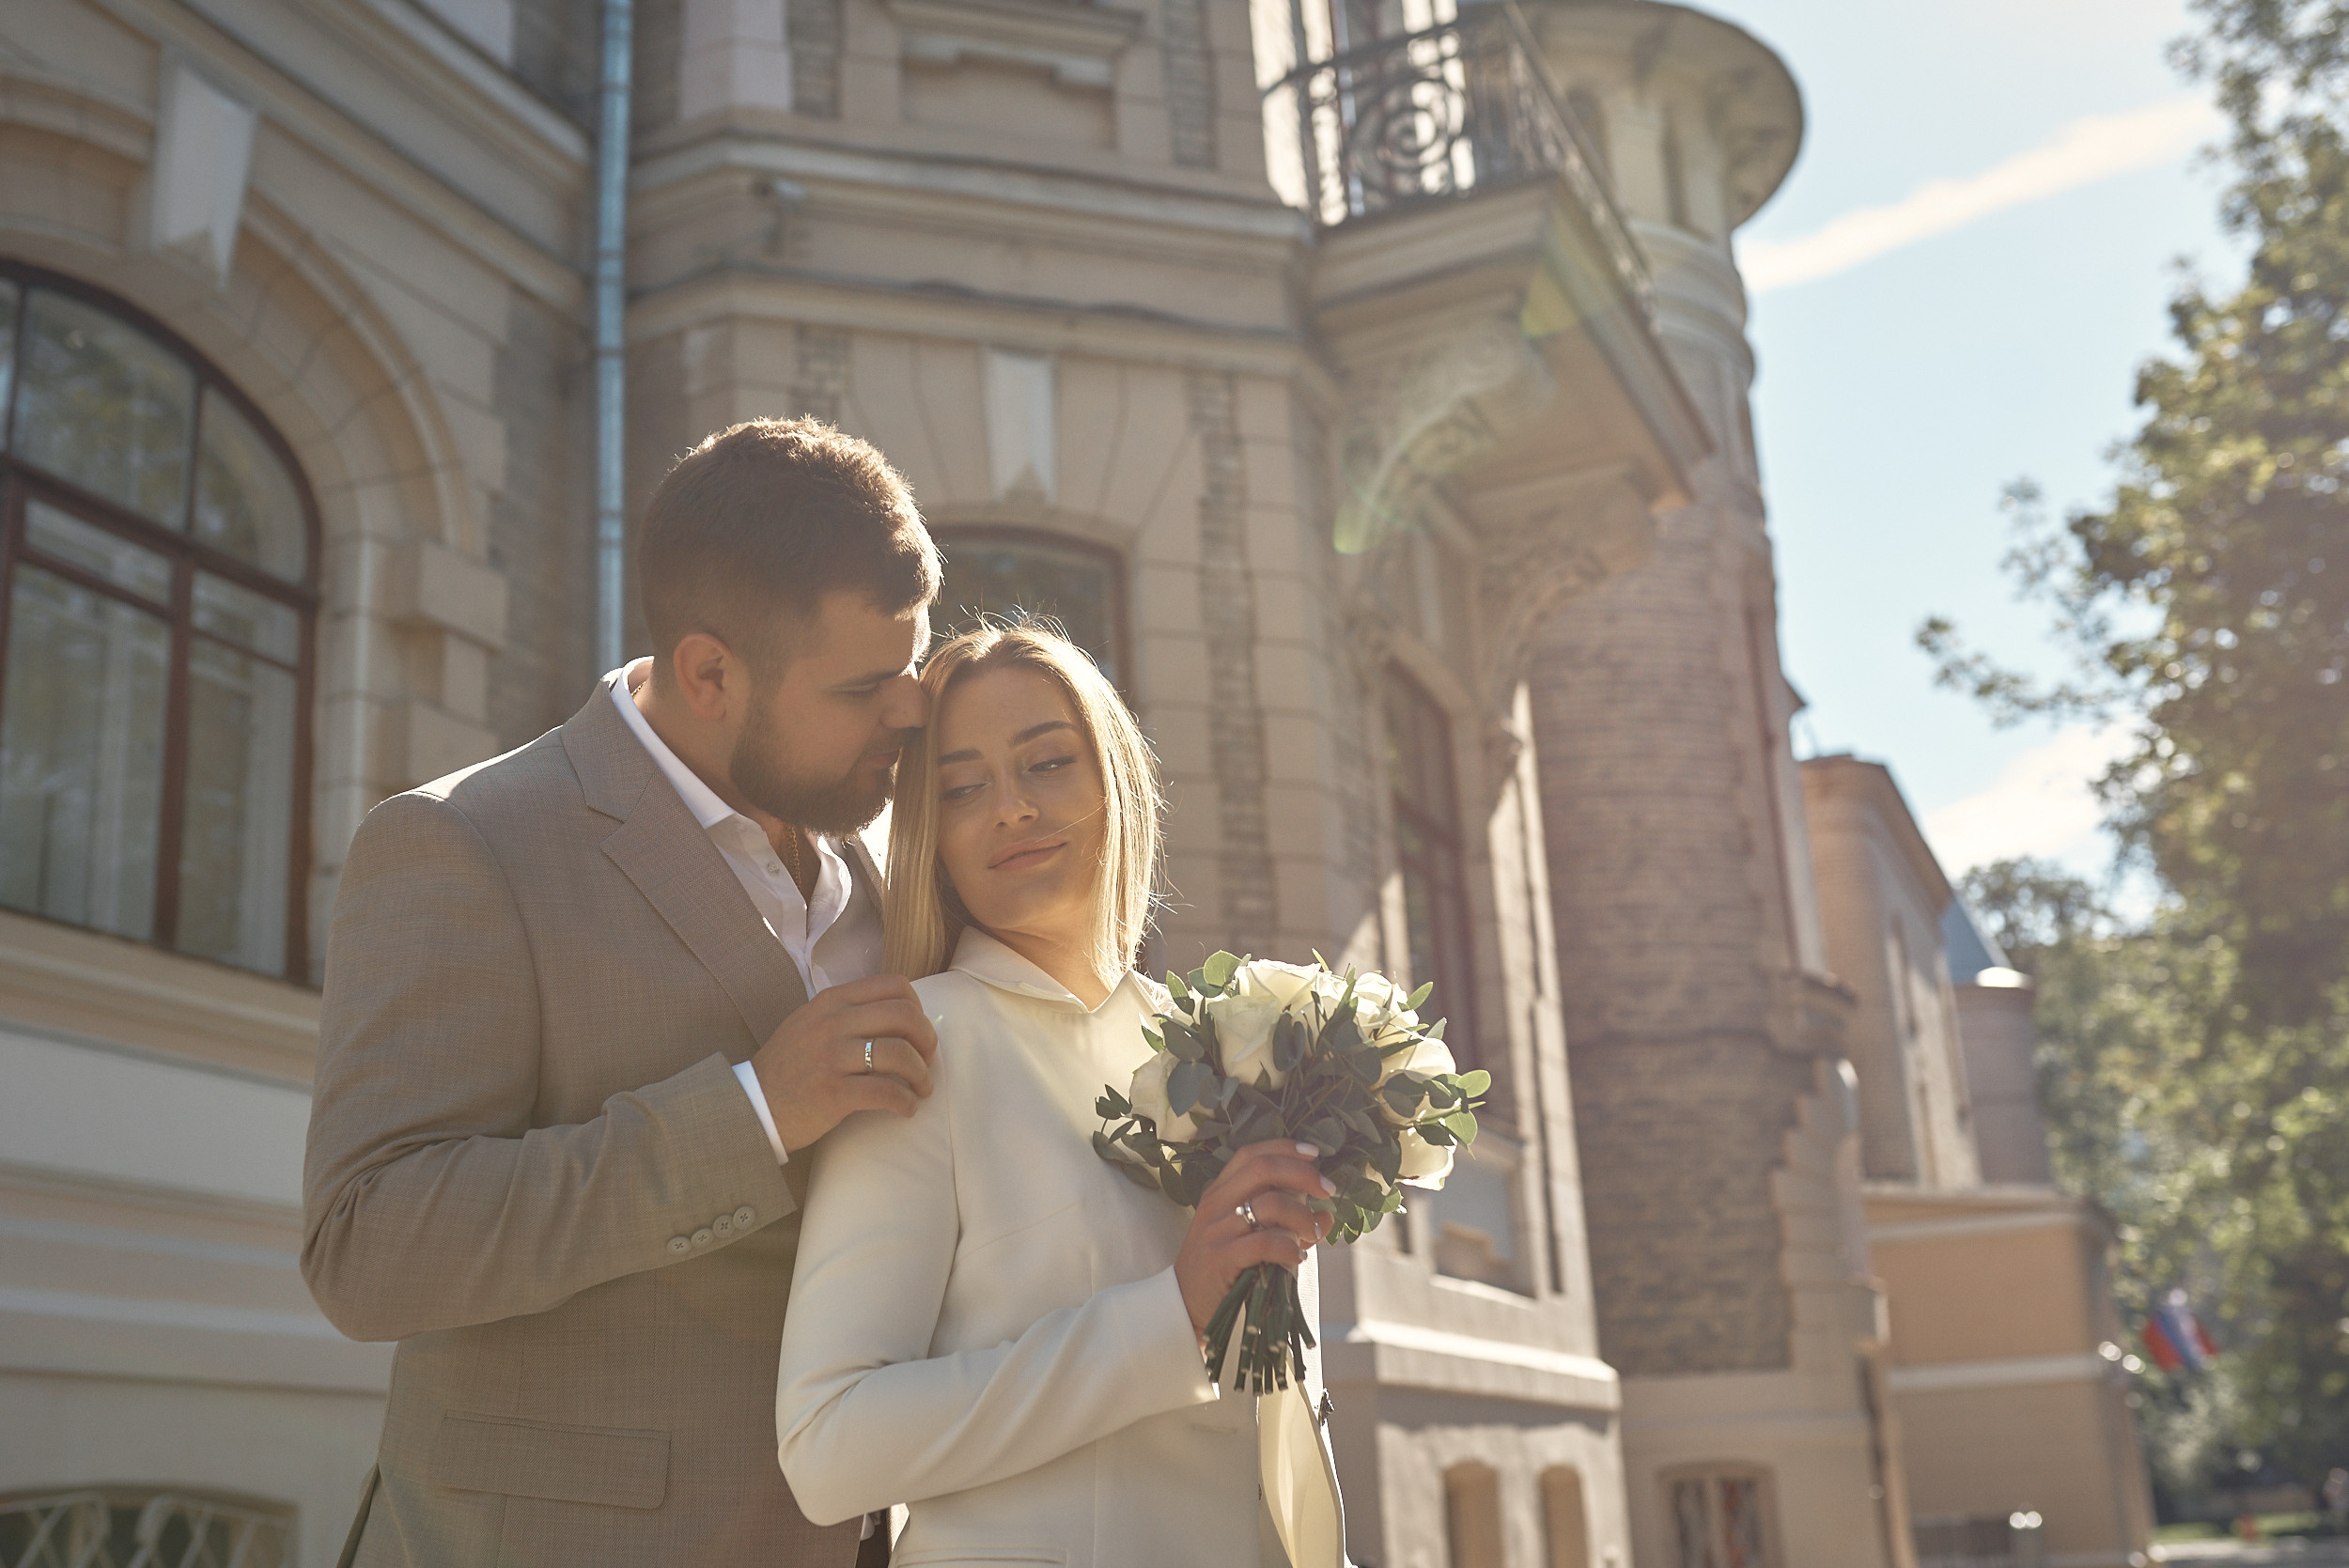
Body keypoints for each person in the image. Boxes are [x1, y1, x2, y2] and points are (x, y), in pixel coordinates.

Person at [303, 418, 941, 1566]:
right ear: (708, 672)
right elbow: (368, 1245)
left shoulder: (895, 860)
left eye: (915, 667)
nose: (910, 712)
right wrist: (752, 1113)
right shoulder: (463, 843)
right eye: (866, 686)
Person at [775, 620, 1341, 1568]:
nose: (1010, 808)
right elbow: (827, 1446)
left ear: (1114, 782)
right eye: (961, 787)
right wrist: (1169, 1317)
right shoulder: (920, 1045)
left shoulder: (1222, 1051)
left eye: (1045, 764)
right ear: (934, 837)